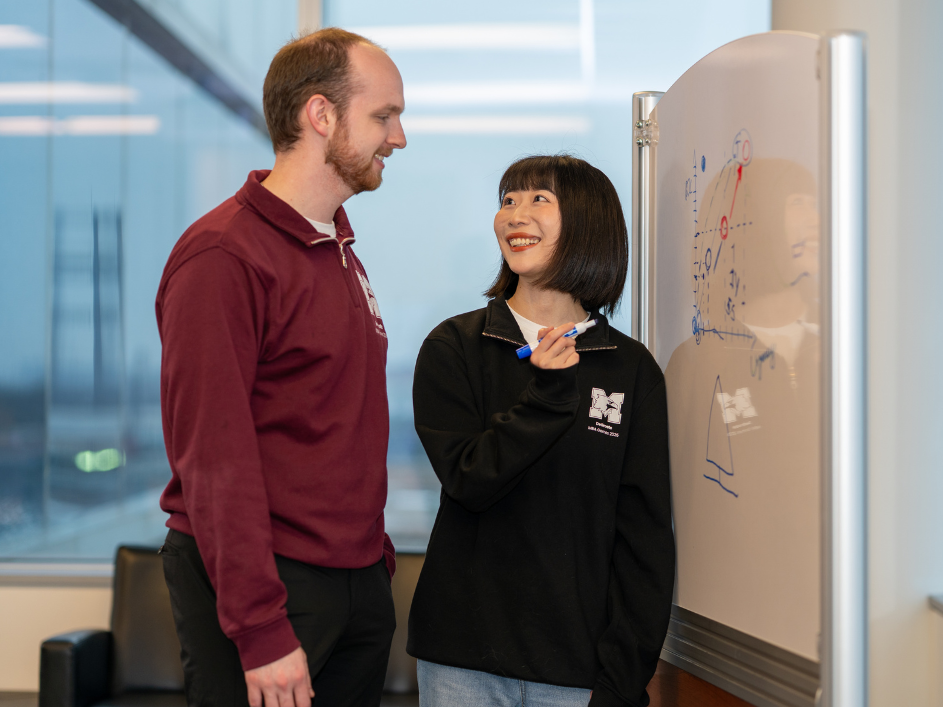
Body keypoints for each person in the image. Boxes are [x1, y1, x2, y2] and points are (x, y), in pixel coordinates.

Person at [156, 28, 406, 707]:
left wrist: (371, 565)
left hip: (353, 581)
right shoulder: (223, 257)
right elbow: (214, 457)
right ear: (320, 116)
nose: (399, 137)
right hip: (270, 590)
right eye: (384, 115)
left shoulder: (339, 250)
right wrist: (261, 626)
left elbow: (334, 422)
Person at [406, 155, 675, 706]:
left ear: (586, 222)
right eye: (507, 200)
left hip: (580, 670)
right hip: (463, 662)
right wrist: (548, 398)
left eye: (537, 200)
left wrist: (624, 677)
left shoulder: (629, 368)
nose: (514, 215)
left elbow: (643, 538)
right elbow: (470, 479)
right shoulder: (455, 346)